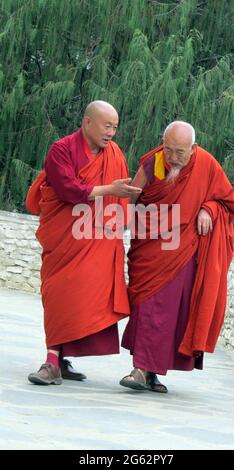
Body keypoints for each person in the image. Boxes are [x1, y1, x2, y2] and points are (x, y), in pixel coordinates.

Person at [26, 100, 142, 385]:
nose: (111, 133)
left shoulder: (113, 153)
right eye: (106, 126)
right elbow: (67, 189)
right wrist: (109, 190)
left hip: (97, 238)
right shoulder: (61, 149)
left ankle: (58, 360)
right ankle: (51, 361)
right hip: (65, 235)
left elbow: (121, 197)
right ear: (88, 122)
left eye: (114, 127)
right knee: (58, 292)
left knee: (84, 298)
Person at [120, 121, 234, 393]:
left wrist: (208, 208)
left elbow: (226, 202)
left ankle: (147, 371)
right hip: (151, 248)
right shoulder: (153, 163)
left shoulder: (207, 165)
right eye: (168, 149)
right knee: (148, 307)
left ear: (193, 149)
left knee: (171, 313)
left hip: (183, 251)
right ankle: (143, 368)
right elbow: (131, 200)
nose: (172, 158)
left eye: (180, 152)